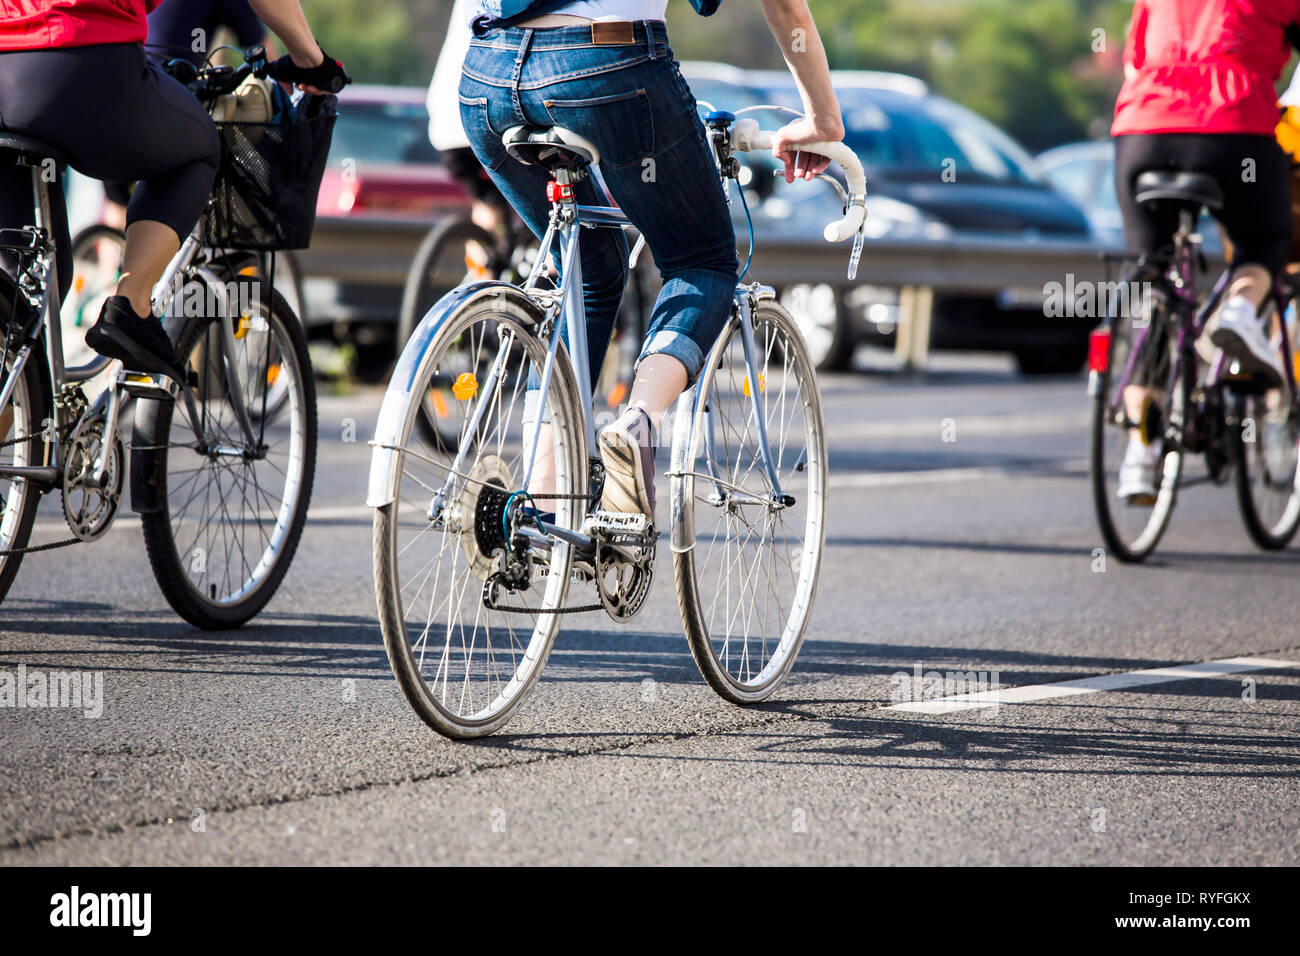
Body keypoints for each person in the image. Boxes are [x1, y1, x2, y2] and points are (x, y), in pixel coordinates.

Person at [456, 0, 843, 521]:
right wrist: (821, 118)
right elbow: (786, 7)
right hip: (607, 65)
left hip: (487, 74)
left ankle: (542, 504)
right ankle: (635, 424)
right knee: (700, 259)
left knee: (591, 266)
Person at [0, 0, 348, 377]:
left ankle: (22, 414)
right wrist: (312, 59)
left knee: (24, 304)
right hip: (83, 59)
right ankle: (131, 304)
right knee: (198, 147)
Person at [1110, 0, 1300, 501]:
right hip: (1231, 124)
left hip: (1141, 131)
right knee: (1264, 241)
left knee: (1153, 282)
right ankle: (1238, 311)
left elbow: (1134, 60)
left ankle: (1139, 455)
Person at [427, 0, 513, 272]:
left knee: (486, 207)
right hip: (488, 119)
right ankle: (549, 274)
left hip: (448, 124)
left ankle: (480, 282)